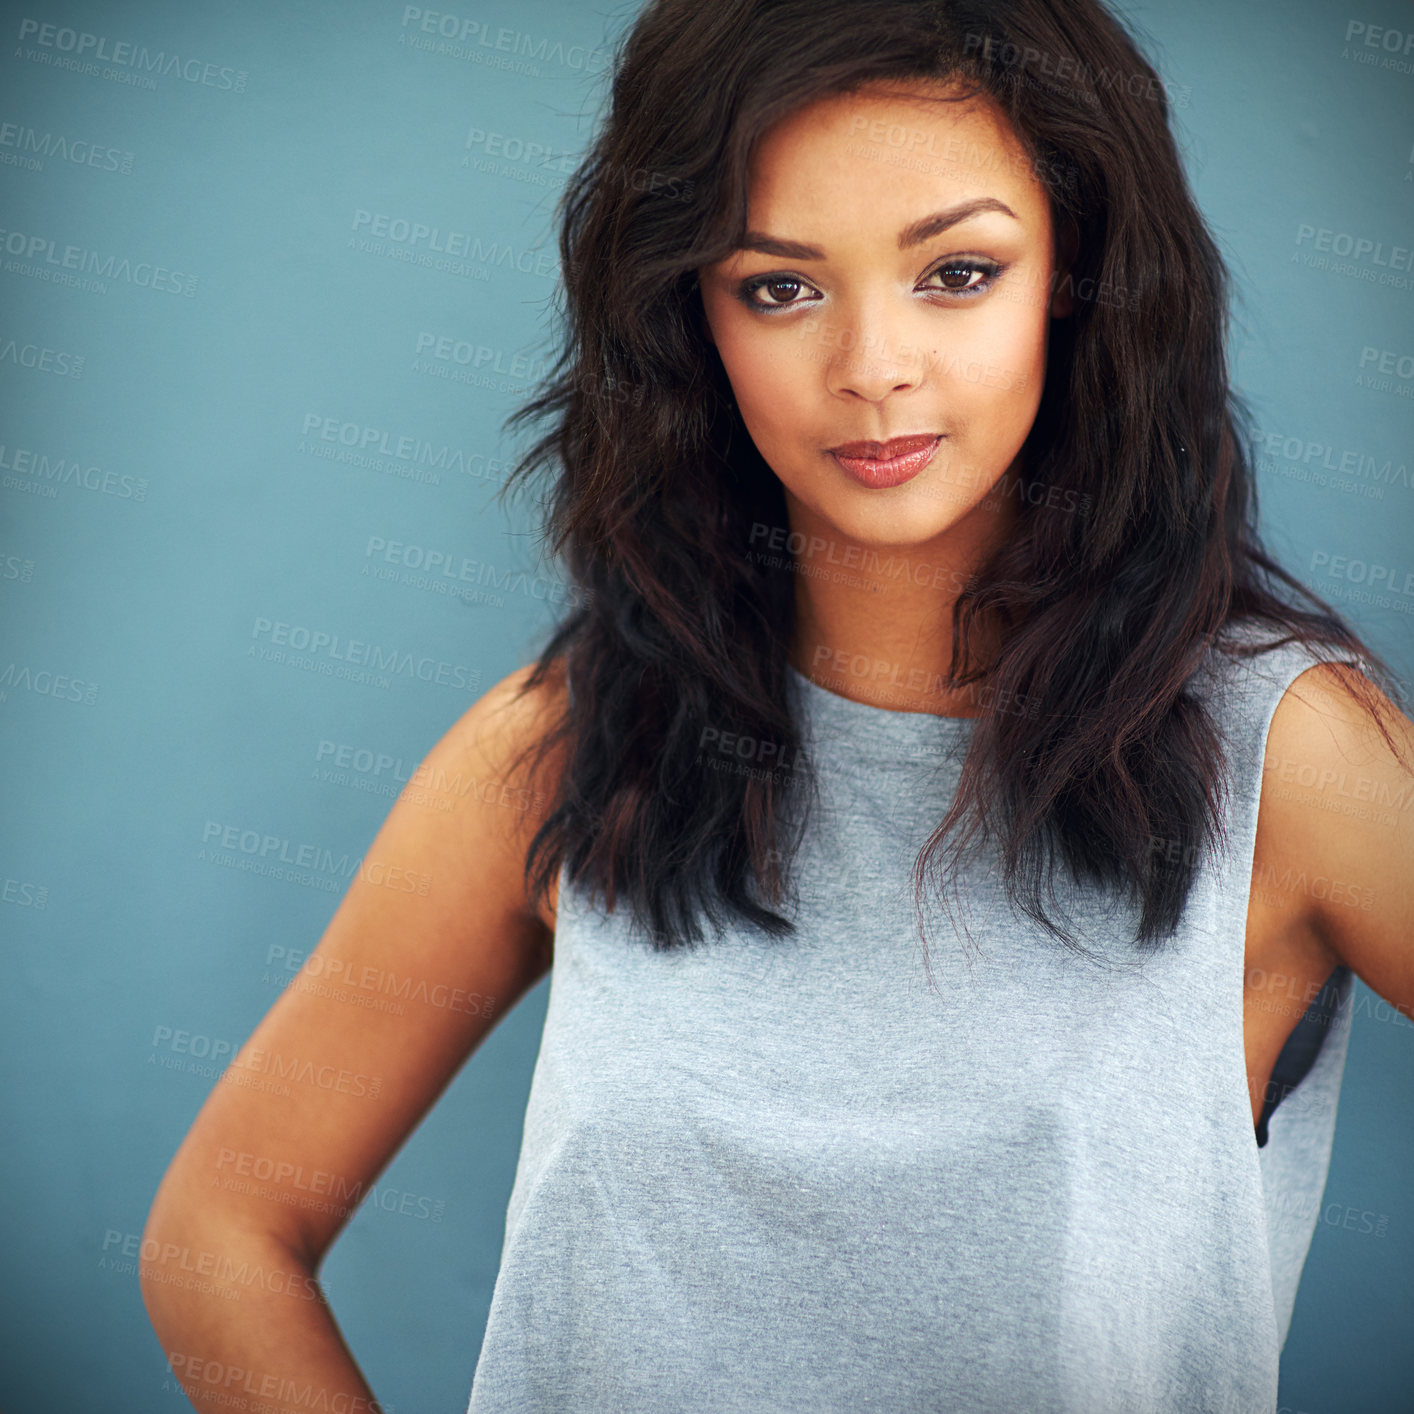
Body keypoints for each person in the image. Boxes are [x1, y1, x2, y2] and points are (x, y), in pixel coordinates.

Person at [141, 1, 1414, 1411]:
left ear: (1078, 275)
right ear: (687, 314)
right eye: (779, 287)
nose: (871, 365)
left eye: (956, 271)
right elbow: (219, 1232)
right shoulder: (565, 740)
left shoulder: (1288, 757)